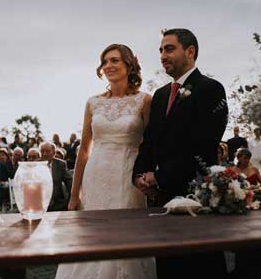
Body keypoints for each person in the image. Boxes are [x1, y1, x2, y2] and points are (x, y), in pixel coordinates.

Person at [132, 29, 228, 278]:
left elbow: (203, 147)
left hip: (194, 196)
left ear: (190, 51)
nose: (163, 55)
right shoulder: (162, 95)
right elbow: (150, 139)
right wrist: (140, 175)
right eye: (161, 50)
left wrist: (160, 177)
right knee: (168, 266)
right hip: (162, 199)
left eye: (169, 48)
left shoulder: (211, 89)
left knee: (199, 267)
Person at [56, 43, 154, 279]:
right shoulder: (93, 102)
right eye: (105, 61)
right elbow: (84, 150)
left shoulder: (144, 101)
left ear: (129, 65)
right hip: (95, 174)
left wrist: (149, 180)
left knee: (126, 236)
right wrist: (74, 194)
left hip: (128, 175)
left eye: (114, 60)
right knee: (92, 233)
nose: (108, 66)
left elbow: (151, 146)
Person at [40, 142, 72, 212]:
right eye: (42, 151)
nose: (44, 154)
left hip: (58, 204)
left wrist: (70, 200)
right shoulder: (36, 165)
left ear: (54, 153)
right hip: (39, 204)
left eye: (47, 151)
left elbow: (70, 182)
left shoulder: (60, 164)